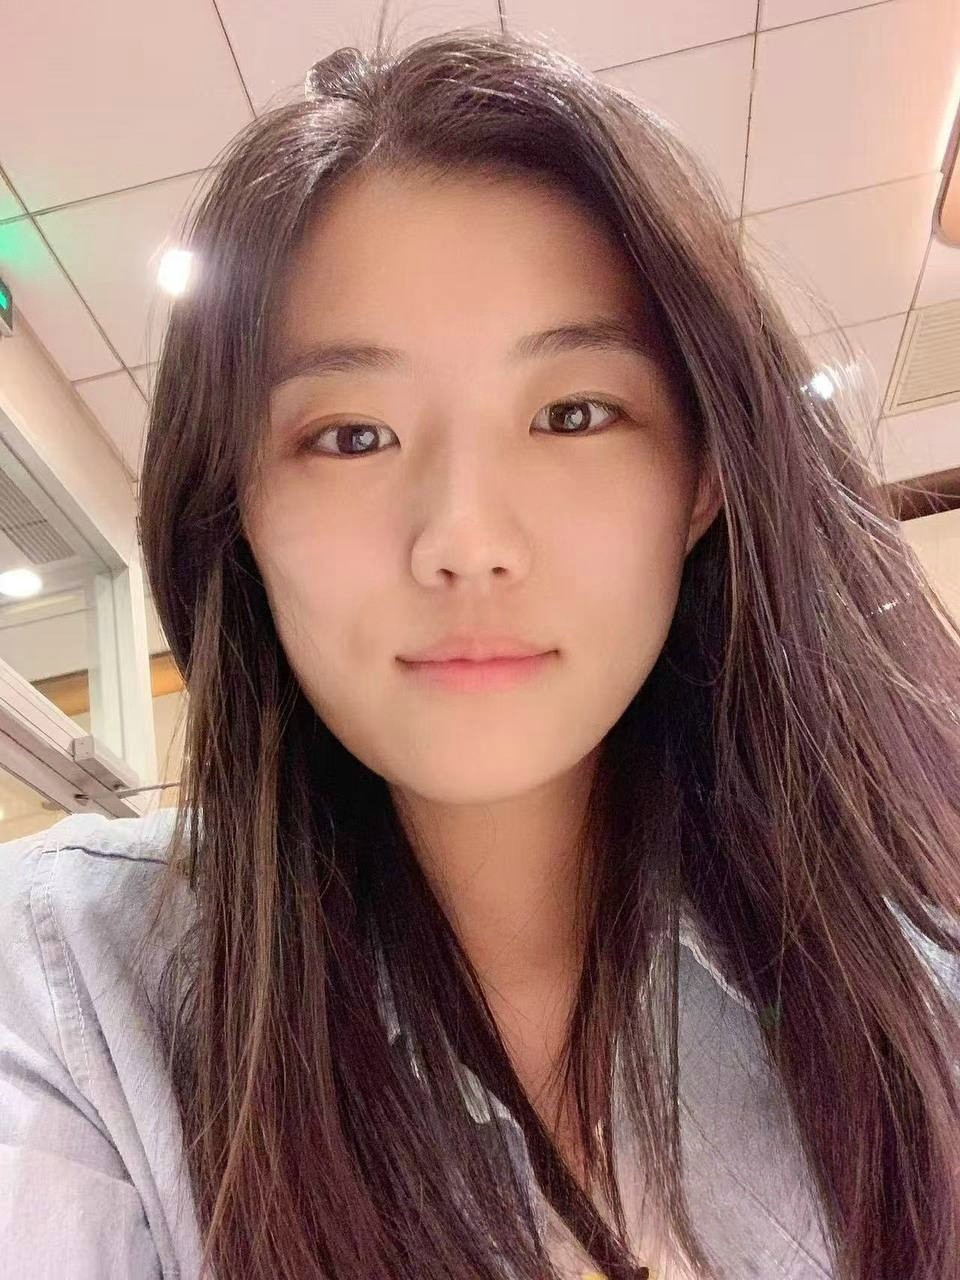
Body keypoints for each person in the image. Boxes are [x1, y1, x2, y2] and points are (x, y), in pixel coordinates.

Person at [2, 15, 959, 1280]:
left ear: (703, 479)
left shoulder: (910, 982)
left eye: (574, 413)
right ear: (236, 510)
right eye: (351, 436)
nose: (463, 540)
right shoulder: (70, 984)